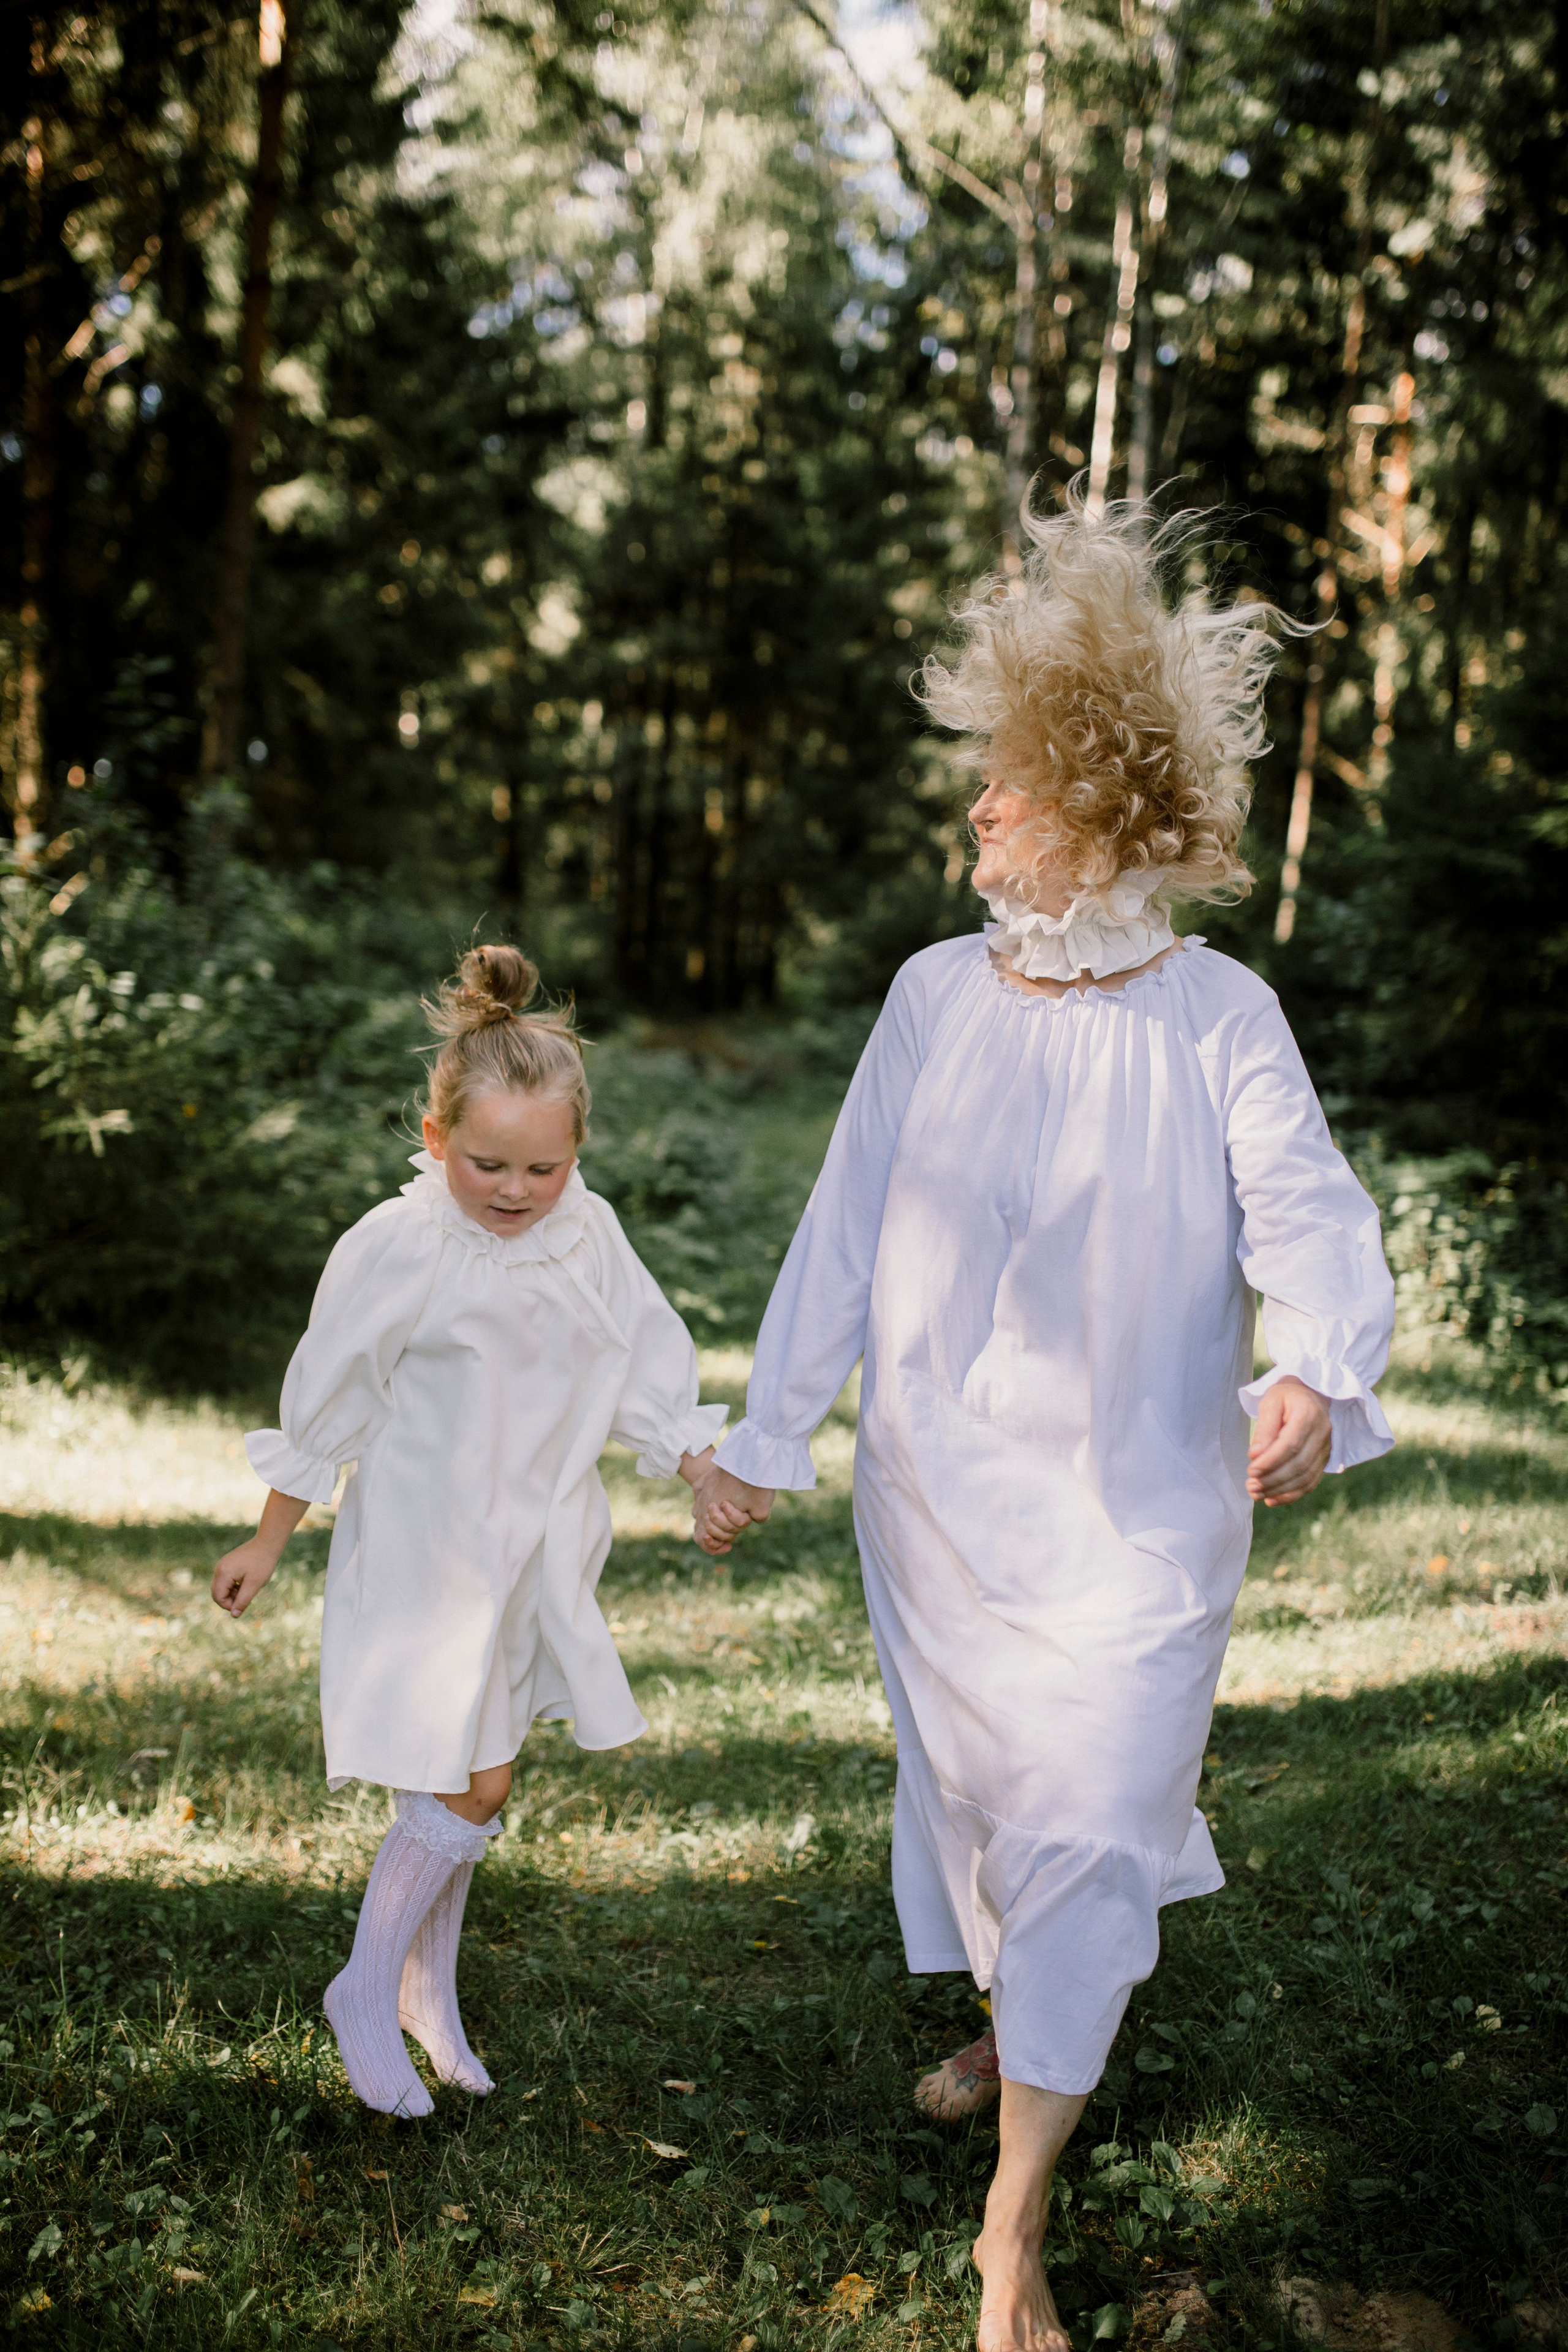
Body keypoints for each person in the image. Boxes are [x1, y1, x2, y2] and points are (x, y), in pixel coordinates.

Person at [687, 497, 1395, 2352]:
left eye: (1008, 785)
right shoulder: (930, 996)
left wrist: (1318, 1359)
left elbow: (1314, 1212)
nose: (980, 812)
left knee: (1091, 1813)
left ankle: (1013, 2233)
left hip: (1144, 1508)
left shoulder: (1225, 1016)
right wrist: (769, 1437)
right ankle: (1023, 2022)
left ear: (1100, 803)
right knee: (997, 1805)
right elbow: (842, 1230)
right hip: (938, 1495)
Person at [212, 947, 727, 2119]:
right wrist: (268, 1536)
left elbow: (643, 1359)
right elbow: (329, 1399)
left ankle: (424, 1992)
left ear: (576, 1154)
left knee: (473, 1767)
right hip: (424, 1545)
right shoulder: (398, 1245)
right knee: (475, 1779)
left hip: (529, 1548)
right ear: (437, 1141)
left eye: (543, 1167)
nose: (514, 1189)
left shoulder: (583, 1232)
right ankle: (363, 1986)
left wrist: (697, 1467)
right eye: (488, 1163)